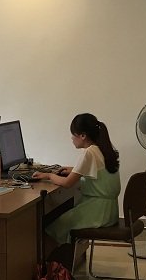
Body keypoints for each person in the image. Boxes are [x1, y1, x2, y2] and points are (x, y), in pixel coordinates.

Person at [32, 113, 121, 269]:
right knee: (61, 218)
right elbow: (94, 171)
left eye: (73, 134)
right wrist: (73, 170)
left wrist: (49, 175)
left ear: (83, 136)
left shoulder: (89, 153)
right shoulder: (102, 149)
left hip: (97, 211)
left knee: (52, 229)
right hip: (109, 210)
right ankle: (57, 268)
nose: (72, 138)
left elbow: (67, 183)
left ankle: (43, 272)